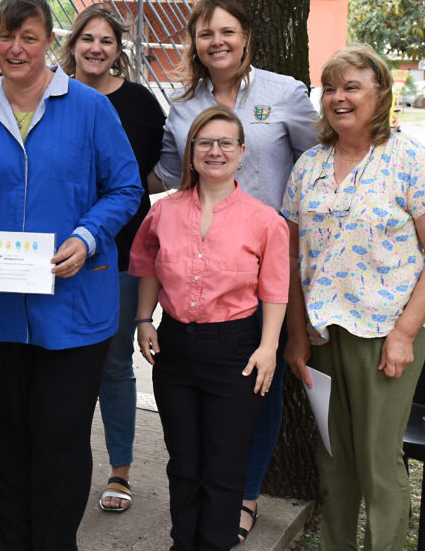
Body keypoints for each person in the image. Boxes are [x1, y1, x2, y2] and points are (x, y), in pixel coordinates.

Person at [0, 0, 142, 549]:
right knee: (7, 440)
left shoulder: (89, 108)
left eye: (28, 37)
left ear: (49, 42)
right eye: (5, 36)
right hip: (2, 312)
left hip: (75, 309)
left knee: (59, 440)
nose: (15, 48)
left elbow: (126, 187)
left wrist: (86, 236)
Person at [150, 0, 319, 542]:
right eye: (205, 33)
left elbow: (318, 157)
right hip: (204, 261)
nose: (216, 42)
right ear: (194, 43)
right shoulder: (182, 104)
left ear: (246, 36)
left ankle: (243, 492)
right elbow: (169, 173)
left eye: (227, 31)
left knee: (261, 374)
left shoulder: (284, 93)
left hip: (271, 254)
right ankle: (213, 502)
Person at [282, 44, 425, 551]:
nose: (338, 97)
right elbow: (290, 262)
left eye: (352, 86)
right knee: (334, 464)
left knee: (378, 464)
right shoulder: (308, 166)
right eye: (330, 88)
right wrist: (296, 335)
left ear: (380, 94)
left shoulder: (413, 163)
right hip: (320, 335)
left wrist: (405, 333)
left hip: (385, 337)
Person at [130, 105, 288, 551]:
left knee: (224, 464)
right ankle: (185, 542)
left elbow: (275, 288)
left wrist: (269, 347)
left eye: (225, 143)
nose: (214, 151)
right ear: (191, 151)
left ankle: (215, 543)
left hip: (235, 350)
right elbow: (146, 265)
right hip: (175, 347)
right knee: (183, 461)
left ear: (241, 153)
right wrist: (145, 319)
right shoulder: (164, 213)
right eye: (205, 142)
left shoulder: (264, 220)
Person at [59, 3, 164, 513]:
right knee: (61, 365)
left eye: (107, 40)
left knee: (114, 367)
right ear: (73, 44)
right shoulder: (51, 95)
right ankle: (62, 465)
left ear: (119, 50)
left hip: (121, 254)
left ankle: (119, 470)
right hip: (56, 255)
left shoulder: (142, 104)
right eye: (88, 39)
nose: (96, 48)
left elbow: (154, 175)